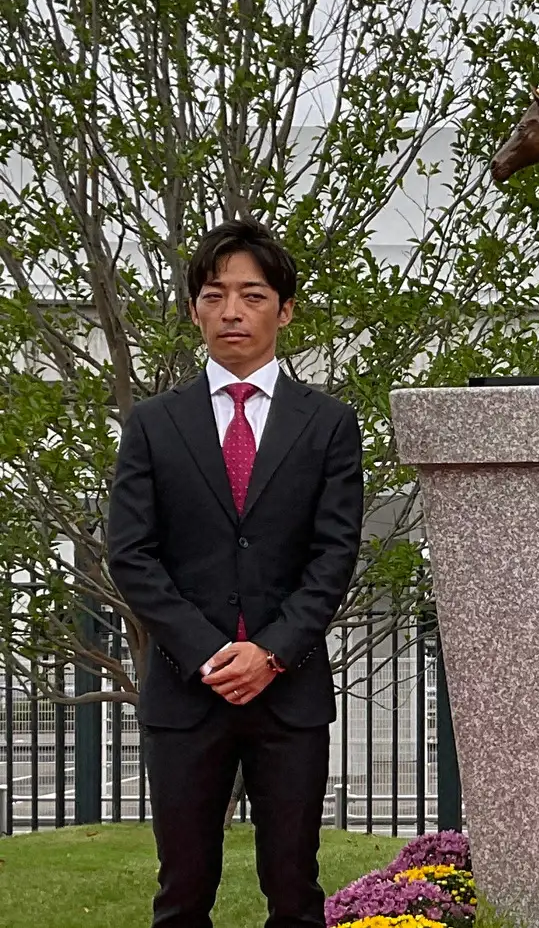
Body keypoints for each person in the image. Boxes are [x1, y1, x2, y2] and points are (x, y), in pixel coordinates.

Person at [108, 220, 364, 928]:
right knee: (182, 894)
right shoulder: (154, 424)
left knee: (294, 891)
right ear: (193, 308)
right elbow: (130, 551)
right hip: (188, 696)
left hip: (290, 697)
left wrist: (272, 652)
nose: (231, 311)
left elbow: (334, 555)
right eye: (215, 294)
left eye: (252, 295)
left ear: (284, 310)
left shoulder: (330, 425)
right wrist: (209, 654)